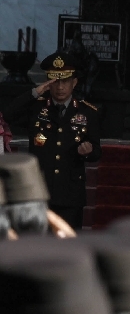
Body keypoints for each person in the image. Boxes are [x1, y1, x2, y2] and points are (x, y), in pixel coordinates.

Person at [3, 51, 101, 228]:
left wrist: (88, 151)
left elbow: (96, 152)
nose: (60, 87)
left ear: (74, 82)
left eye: (65, 81)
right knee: (37, 248)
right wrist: (35, 91)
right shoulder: (36, 108)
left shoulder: (88, 112)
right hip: (39, 191)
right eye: (55, 81)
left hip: (70, 194)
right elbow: (7, 115)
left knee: (67, 248)